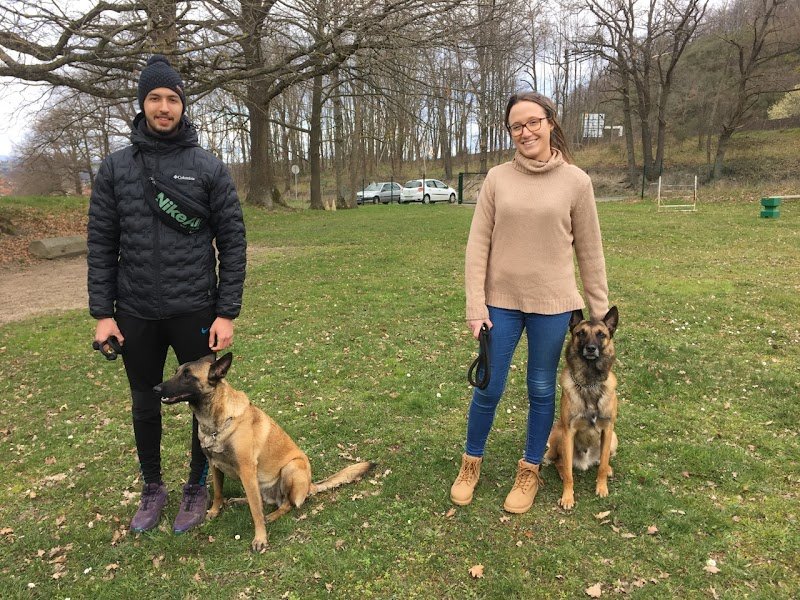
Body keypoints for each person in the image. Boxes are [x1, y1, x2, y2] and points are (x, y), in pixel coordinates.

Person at [87, 55, 247, 533]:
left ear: (183, 105)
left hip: (195, 307)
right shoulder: (116, 169)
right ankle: (153, 487)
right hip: (135, 311)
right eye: (154, 98)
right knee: (144, 401)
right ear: (142, 104)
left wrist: (226, 312)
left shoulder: (207, 167)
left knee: (203, 404)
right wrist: (103, 313)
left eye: (172, 99)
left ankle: (197, 487)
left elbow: (233, 240)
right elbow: (100, 243)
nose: (163, 107)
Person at [450, 91, 609, 514]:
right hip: (500, 302)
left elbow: (590, 251)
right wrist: (475, 304)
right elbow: (477, 243)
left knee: (541, 389)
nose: (526, 132)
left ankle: (529, 469)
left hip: (554, 305)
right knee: (490, 385)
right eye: (516, 126)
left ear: (550, 122)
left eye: (533, 122)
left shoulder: (577, 182)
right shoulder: (497, 179)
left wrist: (599, 311)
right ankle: (471, 463)